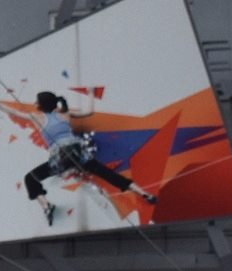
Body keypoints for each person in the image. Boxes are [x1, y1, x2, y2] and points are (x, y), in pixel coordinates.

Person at [19, 90, 146, 221]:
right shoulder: (65, 115)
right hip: (78, 155)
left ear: (41, 106)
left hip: (62, 160)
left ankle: (46, 206)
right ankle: (142, 192)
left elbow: (13, 112)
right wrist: (91, 94)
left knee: (30, 178)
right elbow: (89, 112)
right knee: (108, 174)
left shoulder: (40, 118)